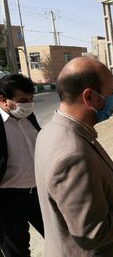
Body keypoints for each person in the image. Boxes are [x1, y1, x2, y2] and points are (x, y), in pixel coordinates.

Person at [34, 57, 113, 257]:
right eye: (110, 93)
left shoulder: (50, 131)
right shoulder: (72, 154)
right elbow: (94, 233)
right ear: (89, 97)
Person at [0, 74, 44, 257]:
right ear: (3, 100)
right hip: (8, 201)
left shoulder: (29, 116)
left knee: (62, 236)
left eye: (31, 99)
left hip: (39, 194)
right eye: (23, 100)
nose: (29, 104)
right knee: (17, 252)